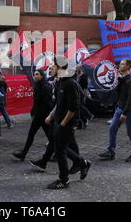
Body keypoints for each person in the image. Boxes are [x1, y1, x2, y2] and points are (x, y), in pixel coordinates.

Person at [45, 56, 91, 190]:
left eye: (53, 66)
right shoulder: (61, 82)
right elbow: (60, 104)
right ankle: (83, 163)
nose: (51, 68)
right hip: (59, 121)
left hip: (66, 124)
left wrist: (63, 124)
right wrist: (52, 116)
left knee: (60, 152)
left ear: (60, 67)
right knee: (61, 148)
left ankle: (64, 180)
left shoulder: (70, 83)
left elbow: (74, 107)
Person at [98, 59, 131, 162]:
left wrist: (125, 113)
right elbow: (117, 92)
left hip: (129, 111)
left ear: (128, 66)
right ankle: (111, 151)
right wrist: (118, 80)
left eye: (122, 64)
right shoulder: (123, 79)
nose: (119, 66)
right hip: (120, 108)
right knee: (112, 128)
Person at [13, 70, 54, 161]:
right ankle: (23, 153)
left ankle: (61, 153)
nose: (34, 76)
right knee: (31, 134)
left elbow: (49, 103)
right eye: (34, 74)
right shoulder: (37, 86)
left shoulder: (46, 87)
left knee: (51, 137)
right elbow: (36, 101)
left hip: (44, 116)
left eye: (37, 74)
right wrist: (33, 111)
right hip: (38, 115)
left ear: (42, 76)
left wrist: (50, 116)